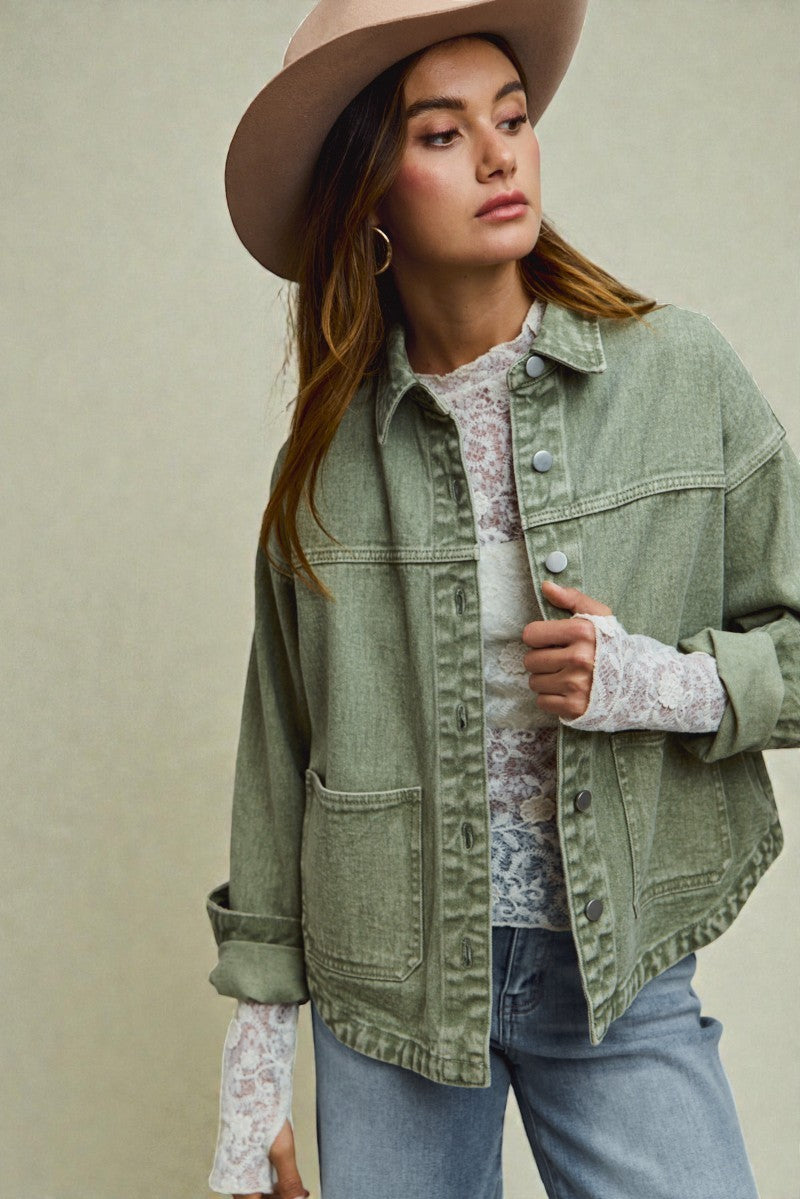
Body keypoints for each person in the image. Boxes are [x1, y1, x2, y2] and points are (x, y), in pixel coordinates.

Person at [204, 2, 800, 1197]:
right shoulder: (320, 464)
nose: (498, 155)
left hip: (611, 973)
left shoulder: (680, 373)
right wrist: (255, 1060)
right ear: (366, 191)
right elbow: (281, 753)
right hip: (387, 991)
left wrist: (660, 683)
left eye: (512, 118)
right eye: (441, 134)